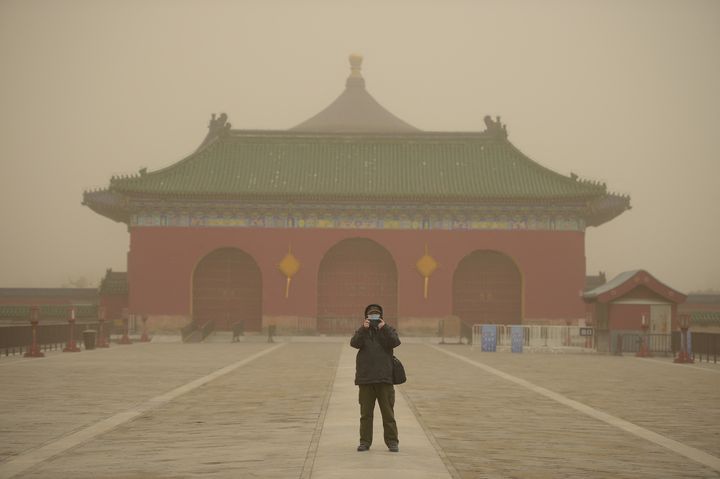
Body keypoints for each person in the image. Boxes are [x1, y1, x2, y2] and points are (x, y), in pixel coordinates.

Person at [350, 303, 401, 452]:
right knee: (365, 414)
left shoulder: (387, 330)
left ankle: (392, 442)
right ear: (366, 317)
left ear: (381, 316)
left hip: (384, 379)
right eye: (371, 315)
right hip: (366, 380)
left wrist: (383, 328)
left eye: (376, 315)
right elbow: (354, 343)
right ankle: (365, 442)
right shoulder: (362, 331)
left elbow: (395, 342)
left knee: (388, 414)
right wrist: (363, 329)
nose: (374, 318)